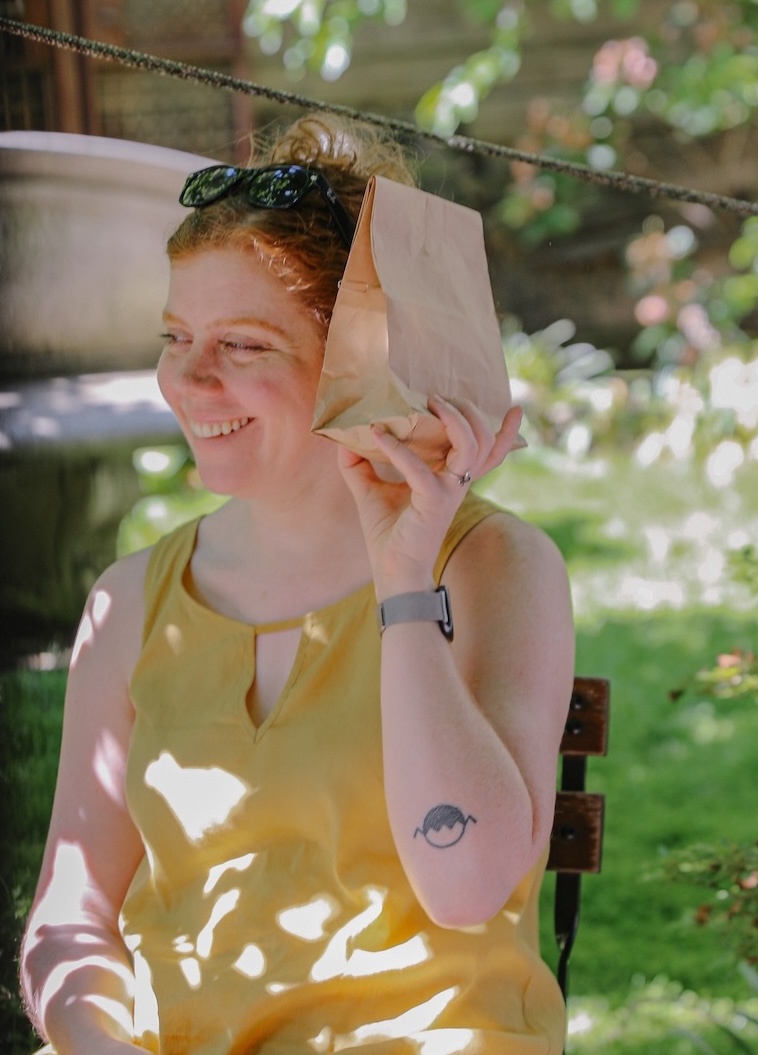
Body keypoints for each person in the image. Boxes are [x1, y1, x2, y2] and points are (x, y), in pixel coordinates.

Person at [19, 113, 575, 1055]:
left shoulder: (490, 567)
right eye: (175, 334)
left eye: (244, 345)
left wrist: (402, 580)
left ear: (362, 367)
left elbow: (467, 883)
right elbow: (70, 917)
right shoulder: (129, 602)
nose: (187, 380)